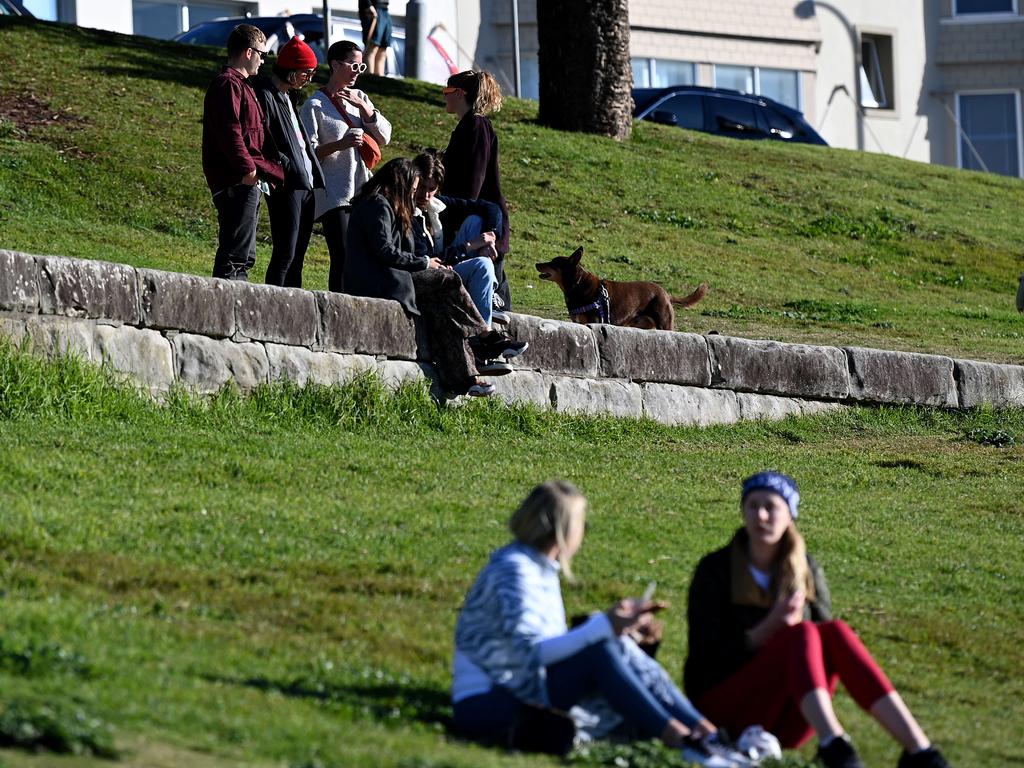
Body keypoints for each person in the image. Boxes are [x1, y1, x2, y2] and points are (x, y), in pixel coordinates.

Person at [453, 481, 753, 767]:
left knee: (614, 645)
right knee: (602, 649)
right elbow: (532, 653)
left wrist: (611, 627)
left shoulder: (536, 567)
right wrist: (602, 626)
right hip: (488, 703)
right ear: (564, 529)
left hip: (522, 690)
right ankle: (686, 742)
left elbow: (545, 647)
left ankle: (708, 735)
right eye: (582, 523)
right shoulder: (515, 571)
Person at [684, 471, 952, 768]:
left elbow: (828, 648)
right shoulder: (715, 568)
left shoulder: (806, 567)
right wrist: (768, 629)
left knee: (832, 630)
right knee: (799, 634)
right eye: (752, 506)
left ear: (790, 515)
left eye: (771, 506)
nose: (760, 515)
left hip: (788, 716)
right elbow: (703, 660)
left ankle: (920, 750)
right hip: (722, 709)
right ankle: (833, 743)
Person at [344, 158, 500, 398]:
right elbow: (385, 251)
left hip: (392, 279)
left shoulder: (389, 207)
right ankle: (482, 335)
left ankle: (464, 379)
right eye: (414, 189)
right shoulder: (376, 205)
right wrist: (425, 263)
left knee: (442, 310)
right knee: (449, 279)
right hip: (378, 282)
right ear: (401, 184)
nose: (416, 194)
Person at [411, 151, 526, 374]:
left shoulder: (437, 205)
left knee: (476, 220)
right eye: (422, 187)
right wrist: (469, 246)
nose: (425, 194)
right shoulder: (408, 211)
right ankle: (484, 341)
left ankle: (486, 316)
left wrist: (488, 237)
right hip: (432, 274)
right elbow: (427, 259)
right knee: (483, 265)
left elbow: (491, 208)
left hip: (449, 266)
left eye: (431, 188)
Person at [300, 40, 391, 292]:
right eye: (353, 65)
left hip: (363, 191)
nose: (357, 71)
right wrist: (341, 144)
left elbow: (385, 136)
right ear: (335, 65)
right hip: (335, 195)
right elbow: (308, 154)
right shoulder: (314, 105)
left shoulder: (360, 98)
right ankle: (338, 309)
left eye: (361, 67)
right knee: (343, 256)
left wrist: (364, 108)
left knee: (362, 257)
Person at [202, 24, 284, 281]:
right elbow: (231, 132)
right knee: (234, 254)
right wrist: (247, 170)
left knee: (244, 256)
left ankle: (237, 309)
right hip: (236, 181)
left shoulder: (244, 86)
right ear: (248, 53)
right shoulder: (228, 85)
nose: (263, 60)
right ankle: (225, 311)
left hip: (246, 179)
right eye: (262, 53)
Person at [252, 36, 324, 288]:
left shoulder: (287, 97)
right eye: (307, 73)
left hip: (304, 183)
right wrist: (286, 168)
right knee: (286, 252)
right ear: (292, 72)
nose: (309, 79)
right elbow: (264, 141)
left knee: (298, 256)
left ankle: (295, 306)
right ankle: (274, 305)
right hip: (287, 184)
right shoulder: (265, 95)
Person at [441, 70, 513, 318]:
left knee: (495, 305)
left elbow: (474, 180)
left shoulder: (476, 126)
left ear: (459, 94)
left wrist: (452, 211)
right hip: (480, 219)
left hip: (480, 222)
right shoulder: (470, 125)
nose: (444, 97)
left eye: (446, 92)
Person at [358, 0, 392, 77]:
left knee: (382, 49)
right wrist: (367, 4)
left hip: (385, 9)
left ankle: (378, 81)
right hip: (373, 9)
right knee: (372, 48)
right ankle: (369, 80)